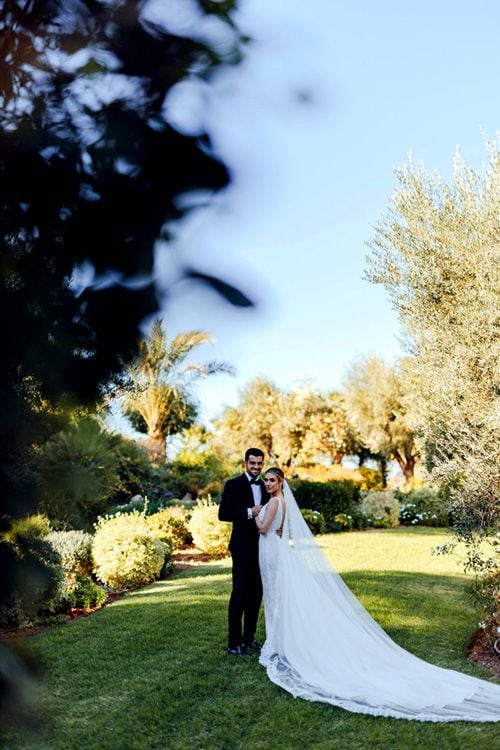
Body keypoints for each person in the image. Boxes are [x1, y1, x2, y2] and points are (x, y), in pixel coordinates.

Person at [254, 468, 500, 723]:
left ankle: (278, 642)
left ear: (280, 482)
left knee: (276, 595)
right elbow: (282, 528)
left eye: (272, 480)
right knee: (277, 595)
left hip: (272, 550)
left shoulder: (273, 502)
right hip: (277, 549)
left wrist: (255, 513)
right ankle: (279, 639)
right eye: (266, 480)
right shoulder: (281, 501)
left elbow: (263, 529)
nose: (268, 483)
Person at [218, 448, 270, 655]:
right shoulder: (234, 484)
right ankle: (234, 642)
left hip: (264, 547)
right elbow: (223, 514)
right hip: (242, 548)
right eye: (253, 463)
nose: (256, 467)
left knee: (256, 594)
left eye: (259, 463)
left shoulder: (266, 485)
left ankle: (249, 639)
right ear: (245, 463)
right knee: (239, 594)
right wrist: (250, 512)